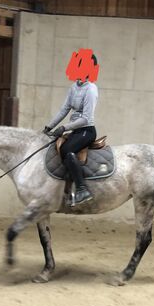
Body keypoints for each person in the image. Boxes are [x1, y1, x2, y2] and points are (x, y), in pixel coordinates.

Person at [44, 49, 99, 206]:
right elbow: (64, 109)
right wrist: (49, 127)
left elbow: (86, 118)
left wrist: (64, 127)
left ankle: (82, 189)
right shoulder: (74, 87)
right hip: (75, 130)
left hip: (86, 131)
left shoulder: (91, 89)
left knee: (66, 150)